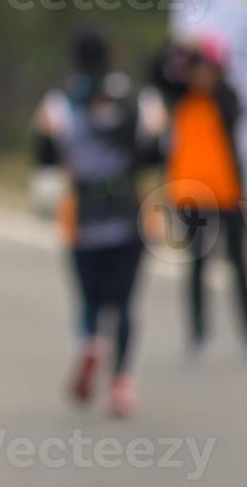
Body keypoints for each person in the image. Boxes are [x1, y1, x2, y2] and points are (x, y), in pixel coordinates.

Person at [35, 29, 165, 418]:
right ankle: (122, 384)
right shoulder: (141, 100)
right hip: (131, 213)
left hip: (82, 215)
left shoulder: (60, 103)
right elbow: (155, 155)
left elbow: (44, 157)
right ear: (114, 54)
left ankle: (91, 343)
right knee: (125, 303)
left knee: (90, 297)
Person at [151, 34, 247, 361]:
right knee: (197, 265)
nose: (201, 75)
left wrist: (213, 76)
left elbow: (234, 110)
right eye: (196, 68)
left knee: (239, 263)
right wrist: (183, 48)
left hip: (227, 194)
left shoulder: (226, 99)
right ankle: (198, 334)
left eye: (207, 68)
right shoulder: (180, 96)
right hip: (190, 195)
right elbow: (155, 70)